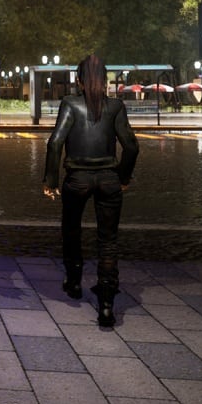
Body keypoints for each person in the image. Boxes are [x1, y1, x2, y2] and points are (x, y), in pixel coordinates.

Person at [43, 54, 140, 328]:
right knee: (108, 240)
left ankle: (74, 282)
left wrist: (51, 180)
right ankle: (106, 304)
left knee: (71, 230)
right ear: (105, 81)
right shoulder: (116, 107)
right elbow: (131, 146)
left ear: (79, 81)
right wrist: (123, 177)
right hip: (108, 178)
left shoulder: (70, 104)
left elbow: (55, 143)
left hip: (77, 179)